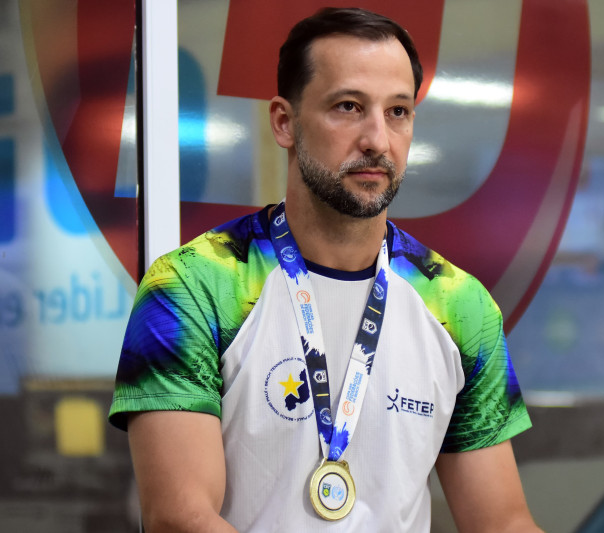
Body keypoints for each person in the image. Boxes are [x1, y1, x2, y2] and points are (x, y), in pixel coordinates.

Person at [109, 7, 543, 533]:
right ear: (285, 123)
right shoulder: (195, 286)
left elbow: (500, 523)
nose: (378, 141)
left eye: (398, 112)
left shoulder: (459, 305)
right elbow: (181, 519)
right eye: (348, 107)